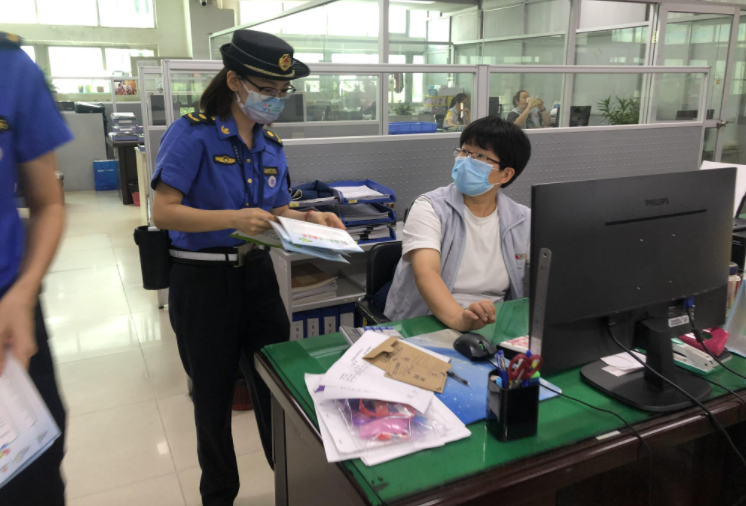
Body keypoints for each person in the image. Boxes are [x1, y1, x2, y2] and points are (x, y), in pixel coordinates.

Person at [151, 30, 345, 506]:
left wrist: (310, 217)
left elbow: (275, 212)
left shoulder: (270, 143)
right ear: (234, 81)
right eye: (266, 89)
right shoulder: (192, 133)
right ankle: (219, 496)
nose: (275, 100)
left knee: (278, 386)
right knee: (213, 398)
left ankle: (293, 485)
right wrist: (231, 219)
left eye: (282, 91)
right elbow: (164, 212)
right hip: (202, 280)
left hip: (257, 276)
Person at [0, 32, 70, 506]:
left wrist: (24, 291)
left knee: (32, 472)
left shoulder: (11, 68)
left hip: (10, 310)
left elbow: (48, 202)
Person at [384, 117, 531, 330]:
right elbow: (426, 273)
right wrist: (459, 319)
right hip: (426, 320)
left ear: (506, 174)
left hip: (494, 322)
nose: (467, 160)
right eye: (464, 151)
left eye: (480, 156)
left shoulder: (522, 220)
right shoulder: (430, 207)